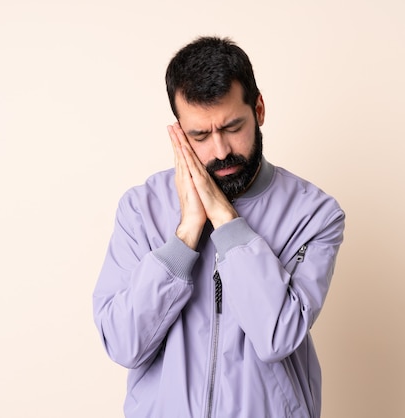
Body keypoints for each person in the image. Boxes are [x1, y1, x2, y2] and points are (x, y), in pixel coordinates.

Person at [93, 36, 345, 418]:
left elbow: (276, 336)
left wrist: (225, 221)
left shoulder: (314, 214)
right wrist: (186, 234)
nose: (221, 150)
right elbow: (124, 344)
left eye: (232, 127)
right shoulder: (141, 208)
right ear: (179, 131)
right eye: (200, 135)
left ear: (258, 109)